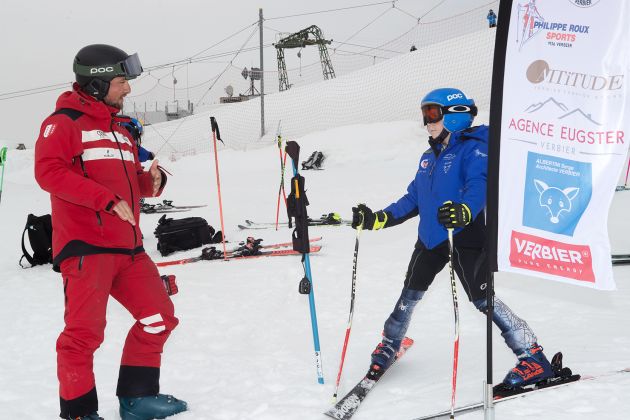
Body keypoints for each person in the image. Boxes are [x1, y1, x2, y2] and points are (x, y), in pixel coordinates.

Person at [351, 87, 554, 389]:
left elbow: (478, 186)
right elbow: (413, 199)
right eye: (425, 115)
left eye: (433, 113)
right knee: (409, 294)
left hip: (464, 236)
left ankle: (533, 356)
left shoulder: (475, 149)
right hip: (430, 240)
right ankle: (391, 342)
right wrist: (378, 218)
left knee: (484, 300)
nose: (427, 122)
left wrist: (464, 211)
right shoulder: (428, 157)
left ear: (455, 115)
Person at [34, 44, 187, 420]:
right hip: (87, 248)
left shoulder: (121, 130)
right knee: (83, 335)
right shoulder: (64, 123)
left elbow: (129, 181)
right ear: (97, 83)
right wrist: (103, 199)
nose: (128, 89)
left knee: (159, 317)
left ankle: (137, 399)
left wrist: (149, 183)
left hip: (129, 248)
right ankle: (80, 413)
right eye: (121, 82)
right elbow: (48, 172)